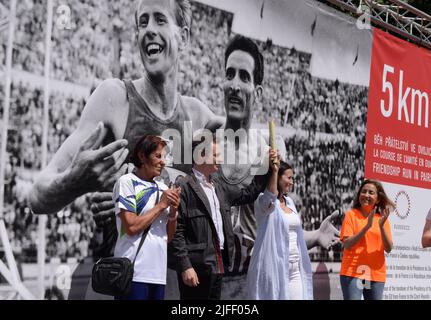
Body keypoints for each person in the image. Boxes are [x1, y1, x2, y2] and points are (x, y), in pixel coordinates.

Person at [29, 0, 222, 216]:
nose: (149, 29)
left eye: (160, 19)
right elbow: (37, 197)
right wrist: (74, 182)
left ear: (183, 37)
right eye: (143, 22)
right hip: (119, 250)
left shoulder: (198, 116)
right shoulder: (115, 99)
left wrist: (133, 201)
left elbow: (246, 168)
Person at [215, 35, 340, 292]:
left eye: (244, 77)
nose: (235, 85)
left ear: (258, 91)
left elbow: (277, 231)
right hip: (211, 279)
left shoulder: (270, 150)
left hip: (254, 279)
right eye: (229, 75)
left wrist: (315, 236)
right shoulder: (204, 146)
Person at [168, 137, 274, 300]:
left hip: (217, 265)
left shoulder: (220, 187)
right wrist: (185, 266)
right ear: (201, 155)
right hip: (196, 268)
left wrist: (265, 166)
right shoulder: (183, 186)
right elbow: (177, 231)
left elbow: (249, 194)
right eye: (216, 154)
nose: (221, 159)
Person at [112, 135, 181, 300]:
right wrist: (161, 206)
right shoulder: (126, 182)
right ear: (142, 156)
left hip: (157, 274)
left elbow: (168, 237)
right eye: (158, 156)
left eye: (164, 157)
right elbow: (131, 227)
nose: (163, 162)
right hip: (132, 274)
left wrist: (173, 214)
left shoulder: (163, 188)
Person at [246, 160, 313, 300]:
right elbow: (270, 198)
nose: (292, 182)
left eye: (292, 178)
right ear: (277, 177)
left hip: (295, 269)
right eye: (289, 178)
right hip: (274, 268)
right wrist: (274, 171)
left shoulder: (290, 202)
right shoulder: (262, 201)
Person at [339, 179, 394, 300]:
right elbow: (347, 244)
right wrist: (366, 228)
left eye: (371, 192)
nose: (366, 195)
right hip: (353, 272)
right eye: (363, 191)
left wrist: (381, 227)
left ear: (378, 199)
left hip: (375, 274)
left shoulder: (382, 219)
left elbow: (389, 248)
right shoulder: (351, 215)